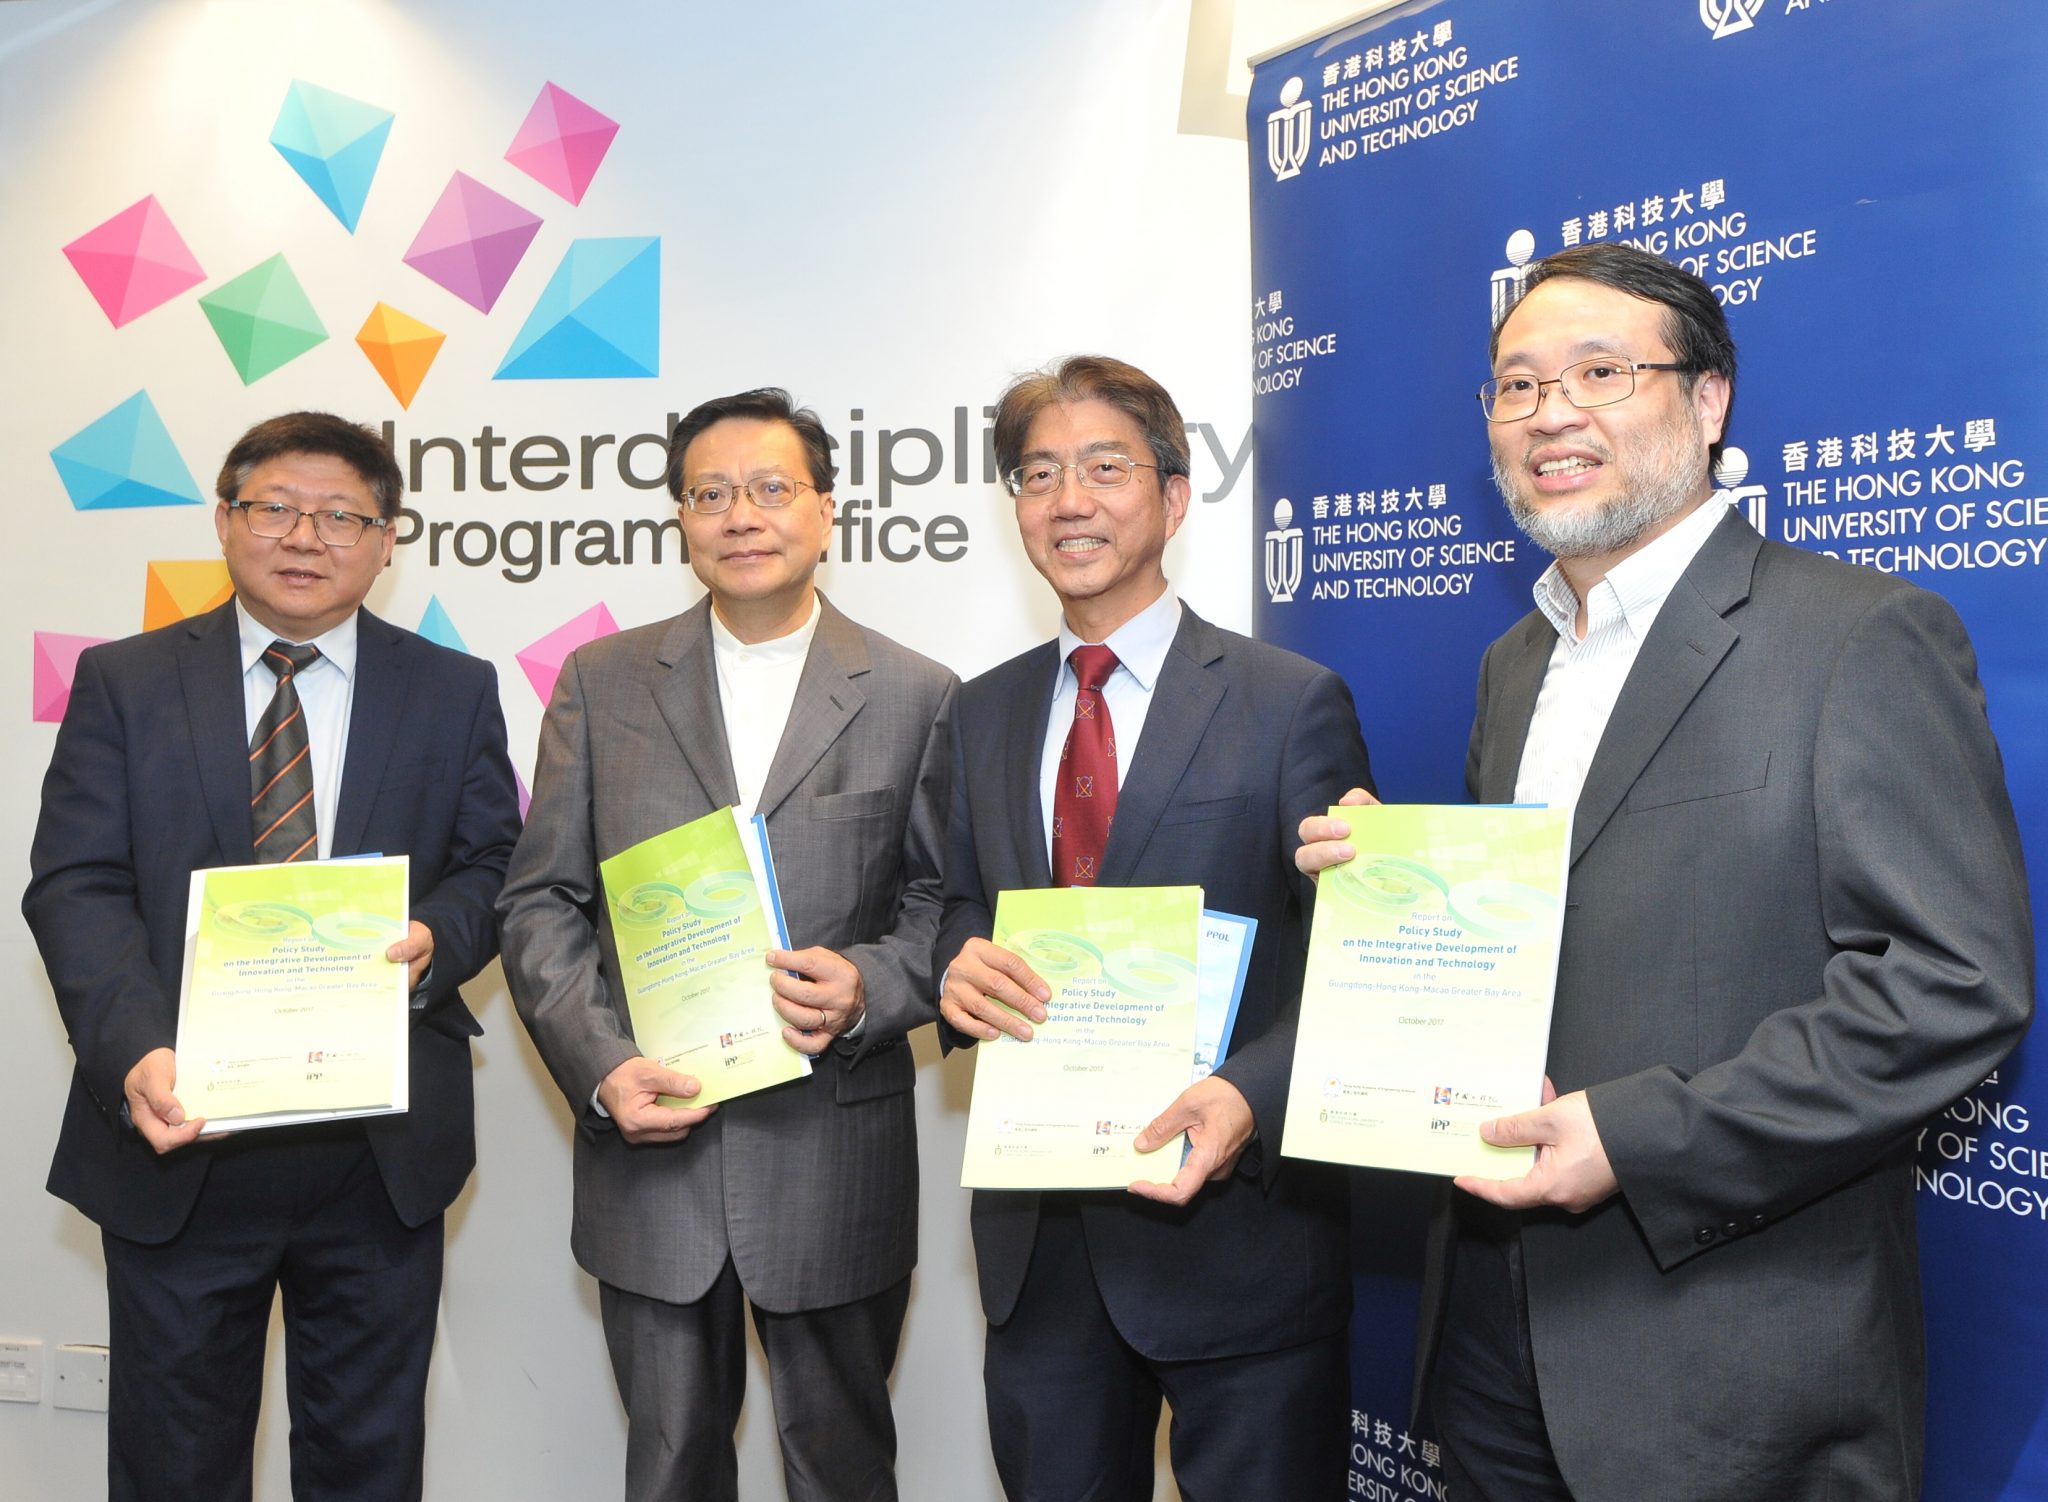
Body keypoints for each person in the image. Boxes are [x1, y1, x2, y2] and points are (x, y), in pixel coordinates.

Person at [1297, 242, 2035, 1500]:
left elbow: (1951, 985)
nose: (1548, 412)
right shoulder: (1511, 664)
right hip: (1487, 1334)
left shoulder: (1857, 635)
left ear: (1705, 404)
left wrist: (1635, 1138)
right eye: (1514, 385)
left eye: (1597, 370)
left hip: (1729, 1370)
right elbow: (1552, 930)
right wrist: (1402, 888)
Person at [23, 411, 521, 1502]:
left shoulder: (453, 688)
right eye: (276, 508)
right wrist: (134, 1050)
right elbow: (75, 881)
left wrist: (439, 938)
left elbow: (495, 863)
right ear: (225, 519)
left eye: (342, 514)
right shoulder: (125, 680)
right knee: (175, 1461)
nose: (307, 535)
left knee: (367, 1457)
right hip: (179, 1136)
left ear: (387, 538)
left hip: (377, 1148)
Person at [497, 388, 956, 1502]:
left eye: (768, 488)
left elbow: (947, 907)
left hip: (831, 1157)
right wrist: (601, 1065)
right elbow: (539, 901)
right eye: (709, 494)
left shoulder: (917, 691)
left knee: (841, 1467)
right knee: (665, 1469)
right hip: (653, 1153)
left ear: (827, 508)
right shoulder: (602, 684)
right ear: (680, 518)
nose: (739, 515)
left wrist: (868, 987)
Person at [936, 354, 1375, 1498]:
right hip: (1041, 1246)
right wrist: (951, 966)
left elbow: (1350, 949)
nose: (1067, 499)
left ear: (1173, 495)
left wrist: (1251, 1095)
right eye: (1036, 473)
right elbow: (944, 903)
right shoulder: (978, 710)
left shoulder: (1290, 699)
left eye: (1103, 467)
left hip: (1236, 1234)